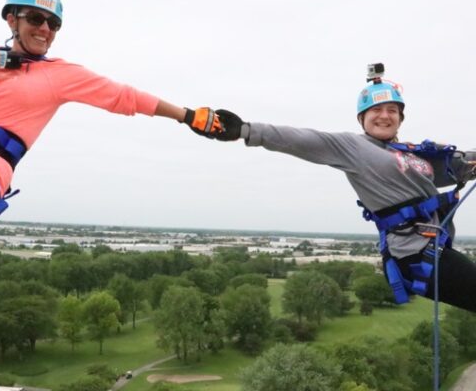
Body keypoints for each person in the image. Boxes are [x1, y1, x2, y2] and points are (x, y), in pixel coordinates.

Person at [0, 0, 222, 268]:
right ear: (12, 19)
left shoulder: (59, 74)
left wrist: (188, 115)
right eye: (37, 19)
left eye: (53, 24)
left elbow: (123, 96)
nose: (45, 29)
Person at [186, 64, 476, 313]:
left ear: (400, 117)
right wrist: (247, 130)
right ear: (361, 118)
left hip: (434, 248)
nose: (384, 115)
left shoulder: (412, 156)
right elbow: (302, 139)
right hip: (414, 256)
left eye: (392, 110)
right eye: (375, 110)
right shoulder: (354, 148)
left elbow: (459, 165)